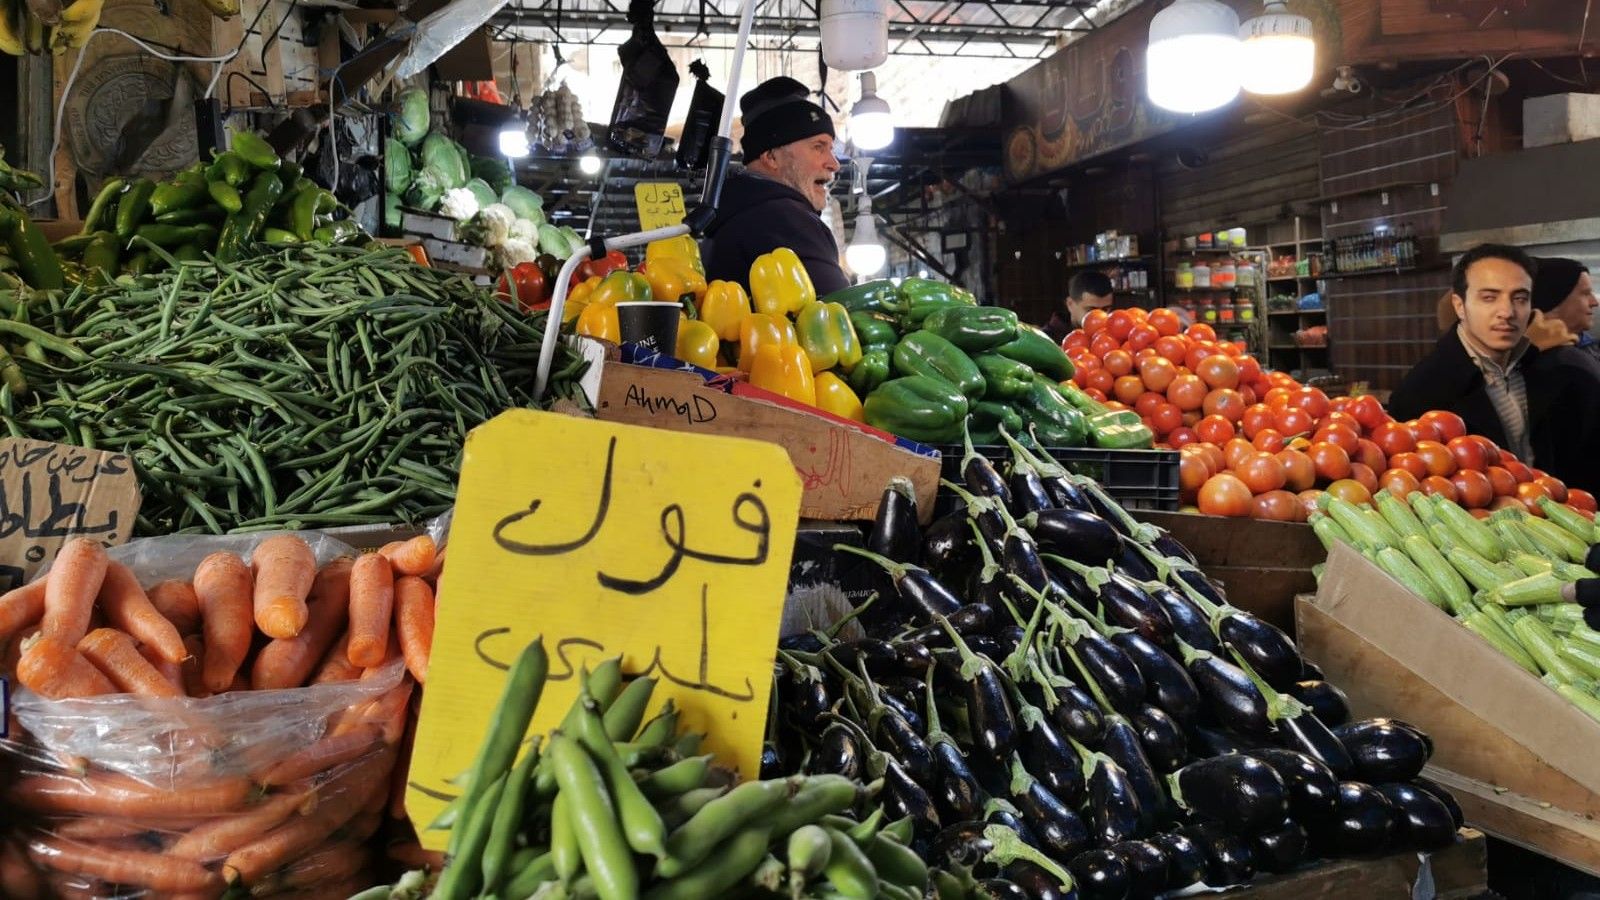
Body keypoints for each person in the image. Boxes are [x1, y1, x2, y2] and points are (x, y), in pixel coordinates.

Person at [1388, 243, 1599, 493]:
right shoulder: (1422, 391)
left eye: (1519, 298)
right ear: (1459, 305)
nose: (1507, 312)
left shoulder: (1550, 369)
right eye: (1489, 297)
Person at [701, 77, 848, 298]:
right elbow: (841, 312)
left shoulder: (731, 216)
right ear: (771, 157)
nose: (834, 164)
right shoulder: (784, 218)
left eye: (831, 148)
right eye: (818, 147)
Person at [1532, 257, 1600, 376]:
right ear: (1555, 300)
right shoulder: (1551, 363)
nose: (1595, 302)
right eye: (1585, 294)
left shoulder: (1589, 346)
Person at [1043, 271, 1114, 344]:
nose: (1100, 318)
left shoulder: (1116, 335)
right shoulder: (1047, 339)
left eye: (1105, 309)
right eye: (1091, 310)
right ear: (1070, 304)